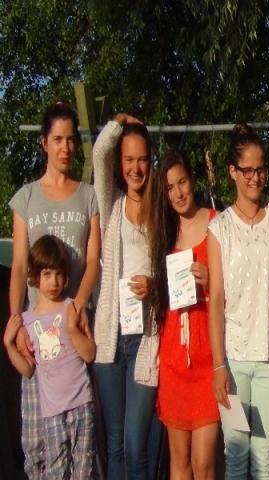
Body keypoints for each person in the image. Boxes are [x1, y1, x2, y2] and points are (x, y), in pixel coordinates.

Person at [8, 100, 101, 479]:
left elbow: (93, 260)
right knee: (38, 450)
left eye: (71, 139)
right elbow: (18, 267)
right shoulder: (26, 198)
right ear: (44, 143)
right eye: (58, 139)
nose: (66, 147)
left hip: (74, 337)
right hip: (38, 339)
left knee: (81, 449)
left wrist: (77, 306)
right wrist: (16, 324)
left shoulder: (89, 195)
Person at [208, 123, 269, 480]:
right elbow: (216, 300)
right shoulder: (219, 229)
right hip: (234, 363)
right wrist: (219, 366)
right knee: (236, 456)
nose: (255, 177)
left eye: (261, 169)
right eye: (248, 170)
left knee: (264, 458)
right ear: (233, 172)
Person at [147, 150, 220, 479]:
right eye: (169, 187)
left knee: (204, 463)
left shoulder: (218, 222)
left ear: (192, 180)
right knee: (179, 462)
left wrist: (212, 281)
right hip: (174, 360)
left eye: (182, 182)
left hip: (209, 361)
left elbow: (237, 290)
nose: (177, 193)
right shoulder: (163, 232)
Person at [92, 113, 157, 480]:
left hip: (146, 339)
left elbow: (171, 267)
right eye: (129, 159)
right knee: (115, 444)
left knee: (135, 444)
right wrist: (121, 121)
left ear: (151, 161)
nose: (136, 168)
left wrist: (154, 284)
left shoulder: (160, 209)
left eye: (142, 159)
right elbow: (99, 152)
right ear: (120, 163)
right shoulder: (111, 205)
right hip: (110, 337)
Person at [4, 235, 96, 479]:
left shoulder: (72, 308)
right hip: (52, 412)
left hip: (81, 405)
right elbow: (28, 369)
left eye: (58, 274)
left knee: (83, 472)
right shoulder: (27, 320)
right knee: (56, 472)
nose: (53, 282)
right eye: (46, 274)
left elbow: (89, 354)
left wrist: (73, 328)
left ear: (66, 277)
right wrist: (9, 345)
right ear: (35, 276)